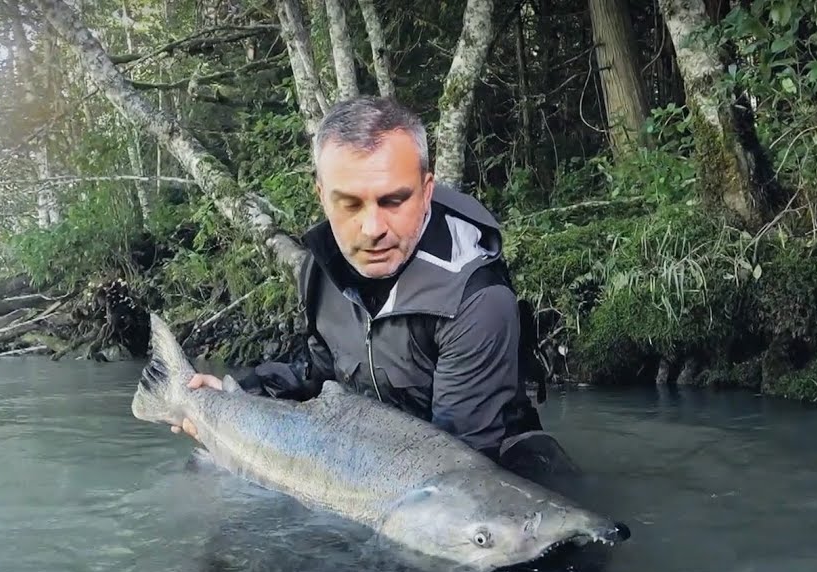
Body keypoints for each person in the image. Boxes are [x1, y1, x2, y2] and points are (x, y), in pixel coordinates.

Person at [173, 95, 577, 481]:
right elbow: (317, 372)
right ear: (321, 196)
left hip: (489, 479)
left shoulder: (476, 298)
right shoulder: (320, 268)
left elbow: (462, 466)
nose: (372, 230)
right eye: (349, 204)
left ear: (427, 190)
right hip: (373, 456)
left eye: (394, 201)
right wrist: (237, 394)